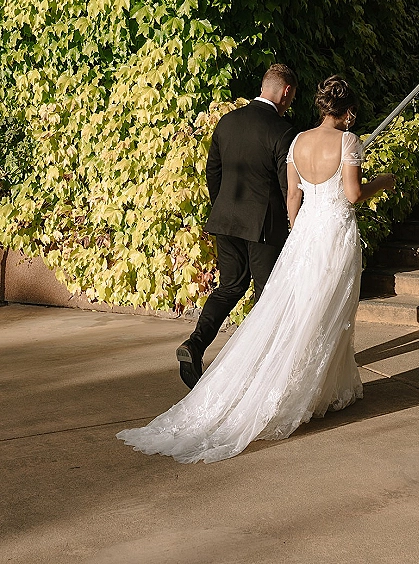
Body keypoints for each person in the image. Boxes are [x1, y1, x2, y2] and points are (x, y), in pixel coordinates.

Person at [117, 76, 394, 464]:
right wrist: (384, 180)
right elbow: (348, 194)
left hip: (282, 230)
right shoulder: (339, 139)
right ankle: (297, 386)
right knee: (322, 312)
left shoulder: (282, 137)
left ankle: (216, 352)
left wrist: (295, 232)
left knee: (268, 302)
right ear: (347, 110)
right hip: (317, 234)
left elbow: (288, 194)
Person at [176, 63, 298, 389]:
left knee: (230, 287)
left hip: (225, 220)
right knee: (266, 295)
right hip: (263, 226)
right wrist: (295, 223)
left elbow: (212, 172)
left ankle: (195, 345)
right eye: (292, 96)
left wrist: (223, 209)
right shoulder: (282, 130)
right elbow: (288, 187)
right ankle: (256, 369)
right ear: (286, 91)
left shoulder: (227, 123)